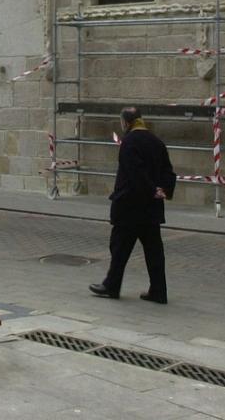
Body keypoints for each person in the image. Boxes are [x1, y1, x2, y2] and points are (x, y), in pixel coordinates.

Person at [90, 107, 176, 303]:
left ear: (126, 123)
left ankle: (111, 286)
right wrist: (163, 190)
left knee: (119, 248)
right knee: (154, 252)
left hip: (130, 206)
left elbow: (134, 173)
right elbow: (168, 172)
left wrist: (149, 189)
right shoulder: (156, 141)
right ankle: (159, 291)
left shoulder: (129, 142)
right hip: (151, 209)